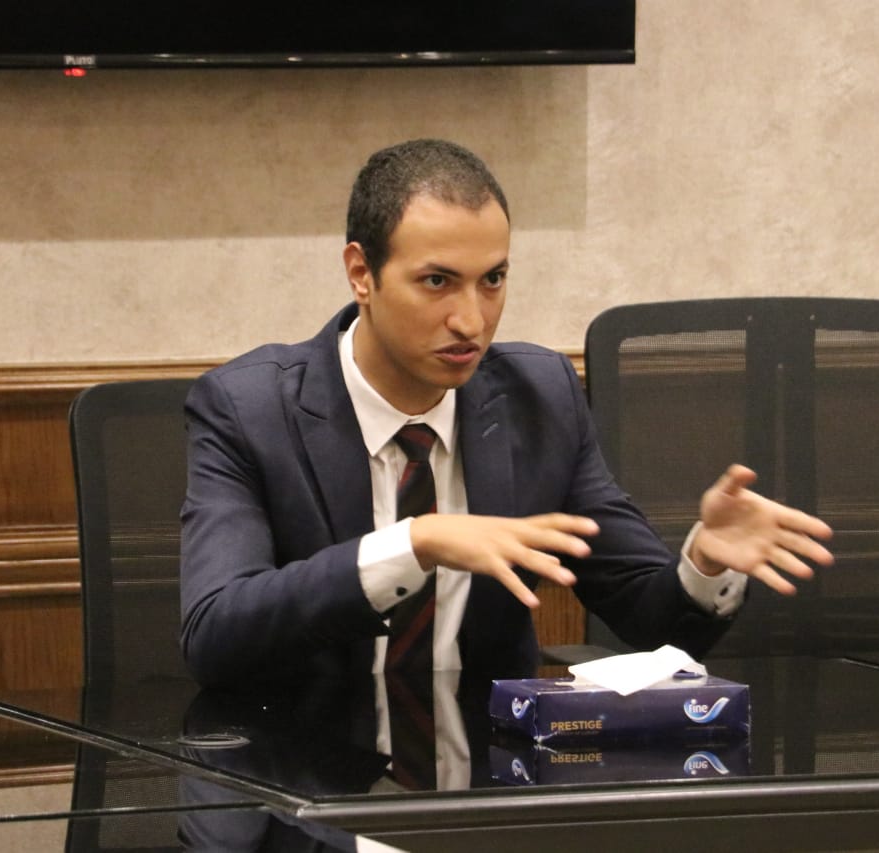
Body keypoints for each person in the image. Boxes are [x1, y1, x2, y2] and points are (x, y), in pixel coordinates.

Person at [180, 139, 833, 688]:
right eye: (437, 281)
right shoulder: (248, 411)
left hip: (489, 774)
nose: (471, 320)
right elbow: (215, 632)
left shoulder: (538, 396)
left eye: (492, 279)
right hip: (303, 777)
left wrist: (705, 565)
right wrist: (414, 543)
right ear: (361, 273)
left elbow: (648, 618)